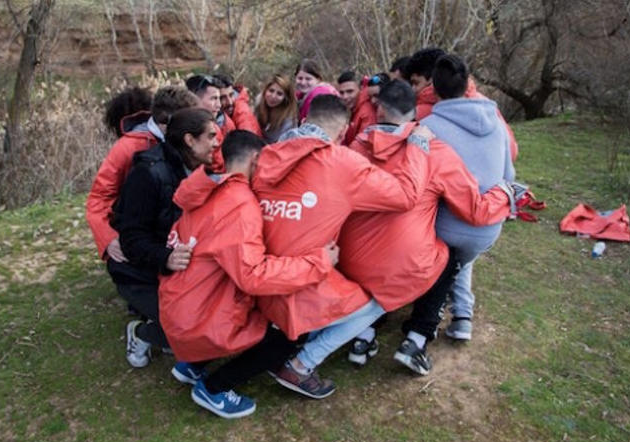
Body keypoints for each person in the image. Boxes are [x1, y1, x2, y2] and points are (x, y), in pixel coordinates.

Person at [252, 94, 431, 398]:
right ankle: (300, 365)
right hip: (301, 283)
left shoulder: (269, 153)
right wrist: (419, 145)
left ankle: (293, 346)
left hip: (261, 279)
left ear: (304, 121)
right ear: (344, 129)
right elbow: (406, 195)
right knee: (375, 303)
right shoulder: (343, 162)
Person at [159, 130, 338, 419]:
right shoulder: (241, 204)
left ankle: (191, 364)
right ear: (257, 159)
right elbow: (253, 275)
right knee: (286, 334)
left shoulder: (209, 188)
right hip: (199, 318)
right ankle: (214, 388)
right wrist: (318, 262)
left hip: (180, 306)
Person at [340, 80, 513, 374]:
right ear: (416, 111)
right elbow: (474, 209)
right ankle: (417, 339)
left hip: (350, 260)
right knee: (447, 257)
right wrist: (506, 193)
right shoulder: (435, 151)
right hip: (401, 263)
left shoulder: (354, 149)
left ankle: (363, 334)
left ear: (379, 107)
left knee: (378, 265)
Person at [108, 108, 217, 369]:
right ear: (190, 140)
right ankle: (141, 333)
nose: (217, 141)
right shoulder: (148, 174)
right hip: (139, 270)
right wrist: (166, 258)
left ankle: (167, 332)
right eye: (211, 136)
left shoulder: (199, 168)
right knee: (184, 323)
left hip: (174, 262)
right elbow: (132, 238)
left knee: (209, 314)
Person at [424, 54, 516, 341]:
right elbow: (508, 176)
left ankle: (430, 312)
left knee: (450, 242)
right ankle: (462, 316)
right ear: (468, 86)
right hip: (488, 229)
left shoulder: (430, 127)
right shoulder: (497, 124)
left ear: (434, 90)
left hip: (447, 229)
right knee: (463, 254)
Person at [87, 86, 199, 264]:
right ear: (166, 122)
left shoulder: (189, 142)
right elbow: (99, 198)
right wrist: (108, 239)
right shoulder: (128, 148)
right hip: (142, 229)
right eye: (190, 122)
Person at [406, 47, 519, 161]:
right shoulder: (486, 105)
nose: (413, 89)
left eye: (416, 82)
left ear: (433, 79)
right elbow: (511, 150)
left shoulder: (420, 115)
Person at [186, 75, 229, 172]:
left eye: (219, 99)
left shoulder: (215, 125)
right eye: (213, 98)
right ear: (195, 98)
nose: (219, 105)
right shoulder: (179, 126)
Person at [256, 74, 298, 143]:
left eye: (279, 94)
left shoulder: (289, 120)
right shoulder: (259, 103)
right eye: (271, 91)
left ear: (286, 98)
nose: (273, 96)